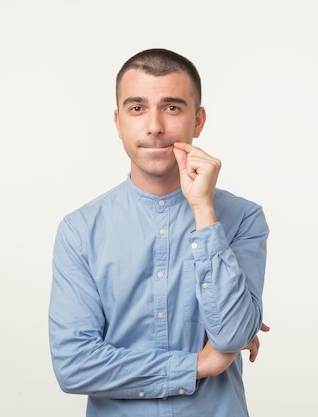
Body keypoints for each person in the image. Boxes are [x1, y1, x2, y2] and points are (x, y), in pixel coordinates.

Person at [48, 48, 270, 417]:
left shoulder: (242, 219)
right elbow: (74, 365)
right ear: (118, 122)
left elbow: (231, 335)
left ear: (198, 121)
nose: (154, 127)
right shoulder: (80, 231)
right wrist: (198, 365)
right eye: (137, 109)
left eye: (172, 107)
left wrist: (203, 210)